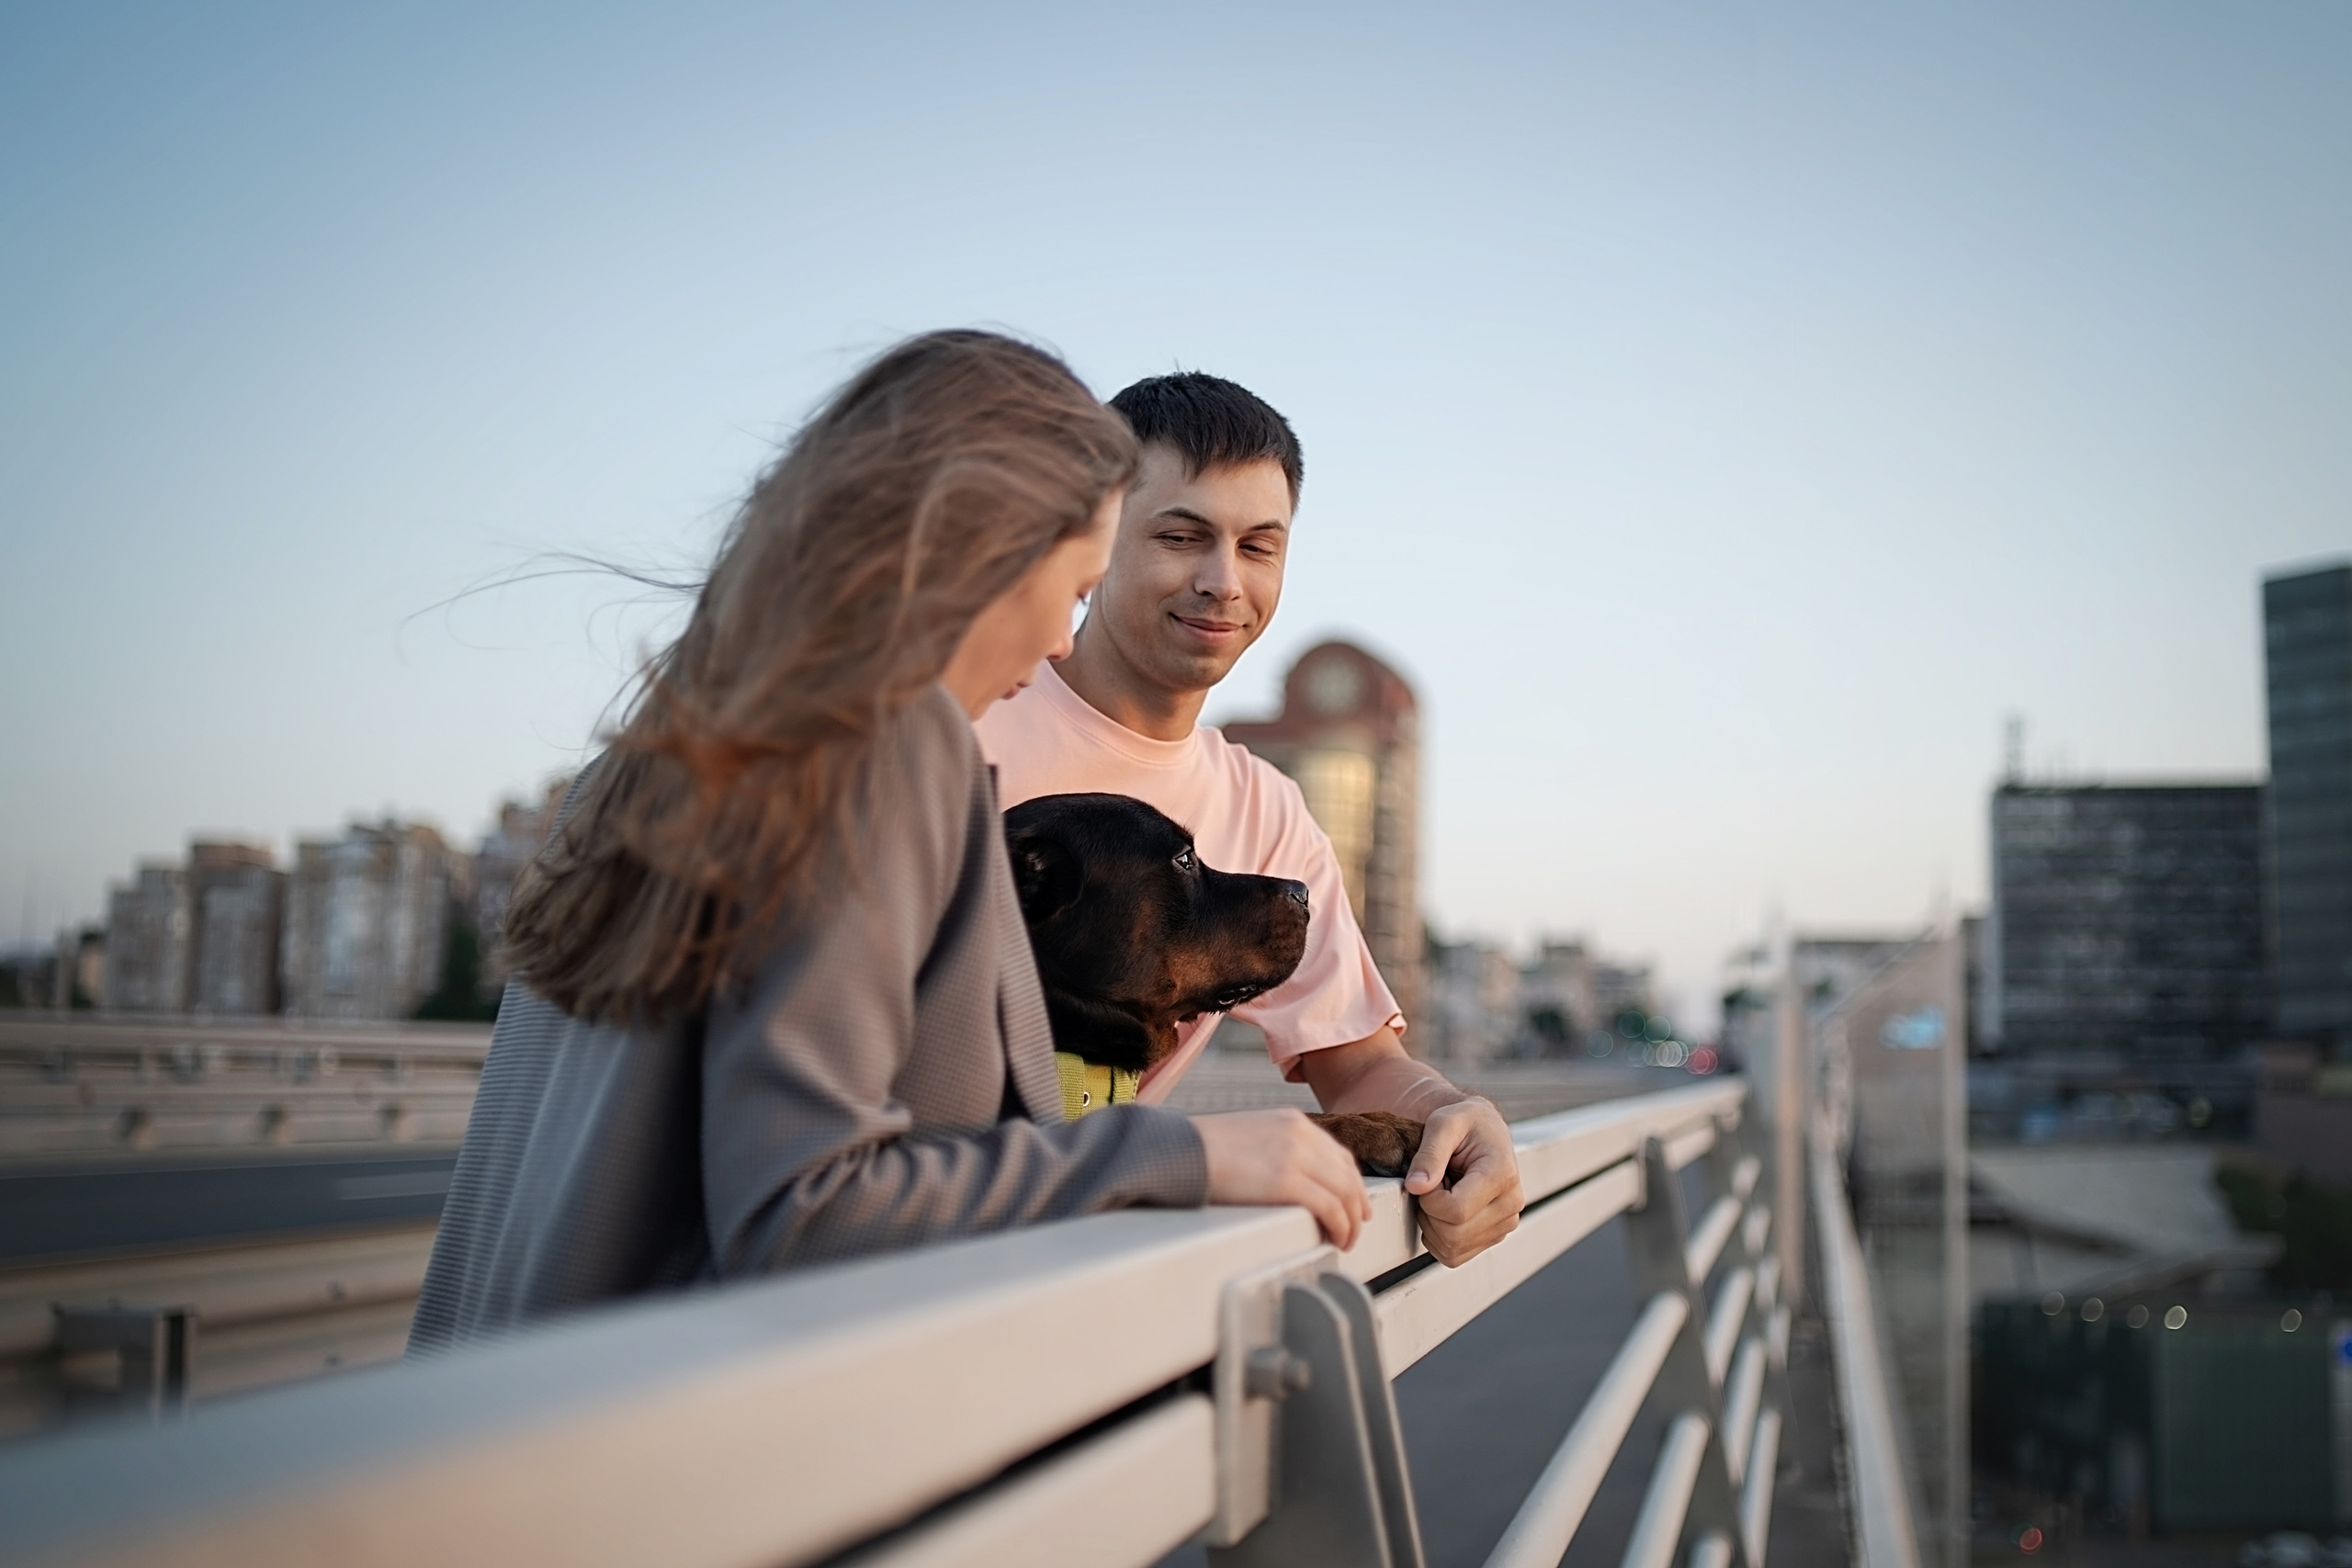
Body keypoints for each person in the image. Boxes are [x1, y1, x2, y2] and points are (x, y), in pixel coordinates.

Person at [409, 333, 1371, 1352]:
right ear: (979, 549)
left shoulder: (659, 750)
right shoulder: (893, 746)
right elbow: (805, 1211)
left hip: (479, 1414)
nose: (1057, 639)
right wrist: (1185, 1159)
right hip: (659, 1455)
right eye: (1070, 581)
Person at [975, 372, 1524, 1267]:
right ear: (1095, 536)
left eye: (1258, 547)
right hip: (888, 1257)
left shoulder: (1263, 810)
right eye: (1181, 536)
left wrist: (1454, 1120)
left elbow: (1357, 1063)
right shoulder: (965, 708)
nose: (1222, 583)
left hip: (1072, 1264)